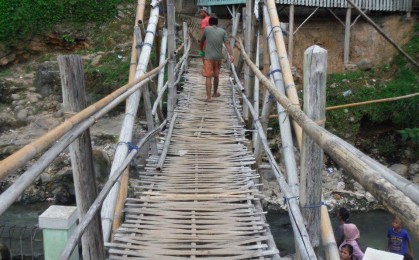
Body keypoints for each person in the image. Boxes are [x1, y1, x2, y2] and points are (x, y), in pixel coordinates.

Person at [200, 17, 234, 102]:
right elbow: (227, 43)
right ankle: (215, 93)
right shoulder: (222, 31)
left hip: (208, 58)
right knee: (216, 76)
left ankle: (209, 97)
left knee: (208, 77)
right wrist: (231, 55)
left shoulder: (207, 29)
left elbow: (201, 41)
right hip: (218, 58)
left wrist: (201, 50)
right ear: (217, 23)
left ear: (209, 23)